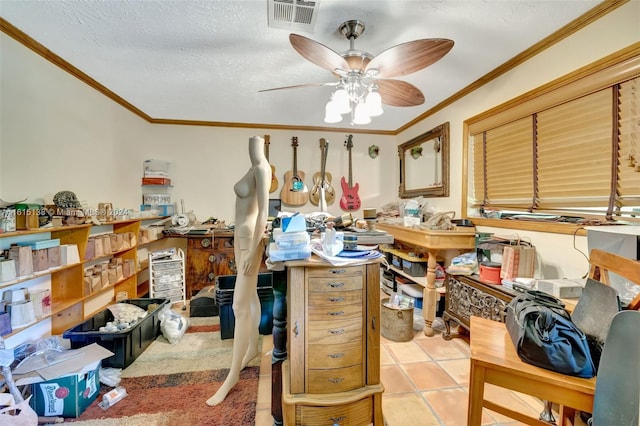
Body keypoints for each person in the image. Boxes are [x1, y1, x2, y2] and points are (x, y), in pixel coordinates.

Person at [206, 136, 271, 406]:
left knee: (239, 306)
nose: (251, 146)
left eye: (255, 143)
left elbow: (264, 213)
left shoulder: (263, 169)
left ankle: (232, 376)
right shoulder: (252, 168)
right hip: (240, 238)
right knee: (251, 297)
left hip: (250, 242)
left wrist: (255, 249)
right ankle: (253, 348)